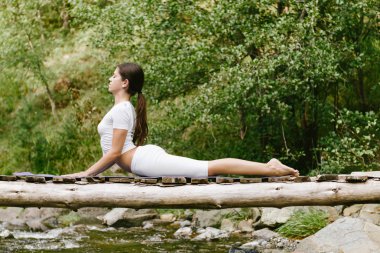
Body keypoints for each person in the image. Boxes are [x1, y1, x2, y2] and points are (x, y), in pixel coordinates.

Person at [64, 63, 299, 178]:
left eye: (114, 76)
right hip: (141, 161)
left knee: (207, 168)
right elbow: (115, 152)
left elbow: (115, 152)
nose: (109, 78)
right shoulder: (121, 108)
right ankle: (269, 167)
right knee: (207, 167)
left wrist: (86, 174)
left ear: (124, 82)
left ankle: (271, 168)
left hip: (144, 162)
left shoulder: (124, 108)